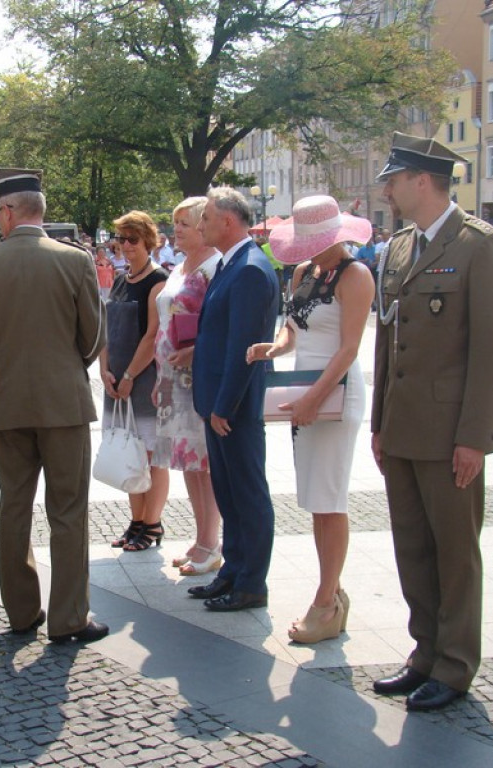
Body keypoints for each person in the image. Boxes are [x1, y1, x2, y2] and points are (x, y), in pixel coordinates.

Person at [371, 132, 493, 711]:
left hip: (449, 432)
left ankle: (455, 666)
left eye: (394, 179)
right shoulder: (400, 247)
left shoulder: (481, 246)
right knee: (413, 545)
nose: (388, 188)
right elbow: (388, 342)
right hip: (404, 428)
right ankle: (424, 652)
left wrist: (475, 439)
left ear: (422, 181)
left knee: (455, 552)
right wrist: (381, 423)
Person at [0, 169, 108, 644]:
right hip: (65, 401)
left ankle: (22, 612)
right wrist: (67, 367)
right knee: (68, 511)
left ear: (7, 211)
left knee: (14, 508)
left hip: (9, 401)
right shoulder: (74, 260)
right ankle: (69, 616)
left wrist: (9, 368)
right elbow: (92, 336)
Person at [248, 195, 374, 643]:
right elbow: (293, 326)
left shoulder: (355, 276)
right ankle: (331, 593)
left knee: (330, 499)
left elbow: (349, 349)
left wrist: (315, 399)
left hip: (335, 395)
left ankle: (325, 603)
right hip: (308, 392)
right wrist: (275, 348)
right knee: (317, 500)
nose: (307, 249)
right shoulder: (304, 273)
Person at [188, 187, 280, 612]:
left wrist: (224, 405)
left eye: (205, 216)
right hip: (219, 405)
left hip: (235, 409)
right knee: (228, 491)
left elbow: (245, 347)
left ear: (228, 221)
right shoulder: (231, 264)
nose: (200, 224)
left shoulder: (249, 269)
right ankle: (232, 572)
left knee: (246, 493)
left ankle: (251, 583)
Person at [151, 197, 222, 575]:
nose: (176, 229)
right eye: (174, 222)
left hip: (197, 376)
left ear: (203, 226)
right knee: (189, 464)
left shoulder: (214, 267)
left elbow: (217, 325)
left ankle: (212, 542)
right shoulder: (181, 266)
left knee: (204, 463)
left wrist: (195, 351)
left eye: (184, 222)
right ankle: (202, 536)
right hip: (173, 378)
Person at [100, 211, 170, 552]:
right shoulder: (119, 278)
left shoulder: (157, 280)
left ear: (148, 241)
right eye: (121, 239)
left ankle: (152, 522)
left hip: (143, 380)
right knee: (128, 449)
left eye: (133, 240)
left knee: (151, 454)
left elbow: (153, 335)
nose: (126, 246)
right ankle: (137, 520)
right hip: (116, 379)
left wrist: (130, 375)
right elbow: (107, 328)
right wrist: (104, 369)